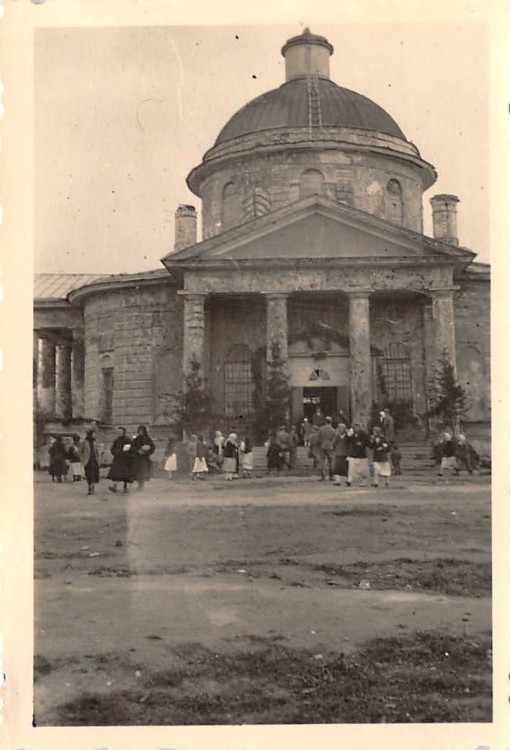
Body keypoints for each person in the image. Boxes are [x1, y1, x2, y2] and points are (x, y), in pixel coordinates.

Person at [108, 426, 133, 493]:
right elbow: (112, 449)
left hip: (125, 459)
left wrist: (127, 453)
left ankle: (125, 487)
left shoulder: (127, 440)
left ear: (124, 432)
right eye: (118, 432)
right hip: (118, 459)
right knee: (116, 473)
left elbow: (132, 448)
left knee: (126, 474)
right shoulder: (116, 440)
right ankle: (114, 486)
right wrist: (116, 453)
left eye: (121, 432)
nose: (119, 433)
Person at [132, 424, 155, 490]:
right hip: (137, 458)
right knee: (137, 472)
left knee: (143, 471)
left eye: (142, 431)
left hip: (145, 458)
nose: (141, 432)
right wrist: (137, 451)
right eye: (139, 431)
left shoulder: (148, 439)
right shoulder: (136, 439)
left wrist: (147, 450)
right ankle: (139, 484)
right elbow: (133, 447)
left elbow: (152, 447)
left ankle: (141, 485)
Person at [80, 428, 101, 495]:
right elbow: (80, 451)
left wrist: (99, 458)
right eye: (93, 434)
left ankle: (91, 486)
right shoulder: (84, 442)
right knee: (89, 475)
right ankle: (90, 486)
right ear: (90, 434)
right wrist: (82, 459)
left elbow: (97, 451)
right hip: (87, 461)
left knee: (94, 474)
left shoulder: (95, 442)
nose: (95, 435)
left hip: (94, 460)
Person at [317, 416, 336, 481]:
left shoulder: (321, 429)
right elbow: (334, 439)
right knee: (331, 461)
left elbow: (318, 438)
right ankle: (331, 476)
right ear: (331, 422)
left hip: (322, 445)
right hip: (330, 446)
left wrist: (321, 442)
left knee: (322, 461)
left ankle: (323, 476)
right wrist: (332, 444)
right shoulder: (333, 430)